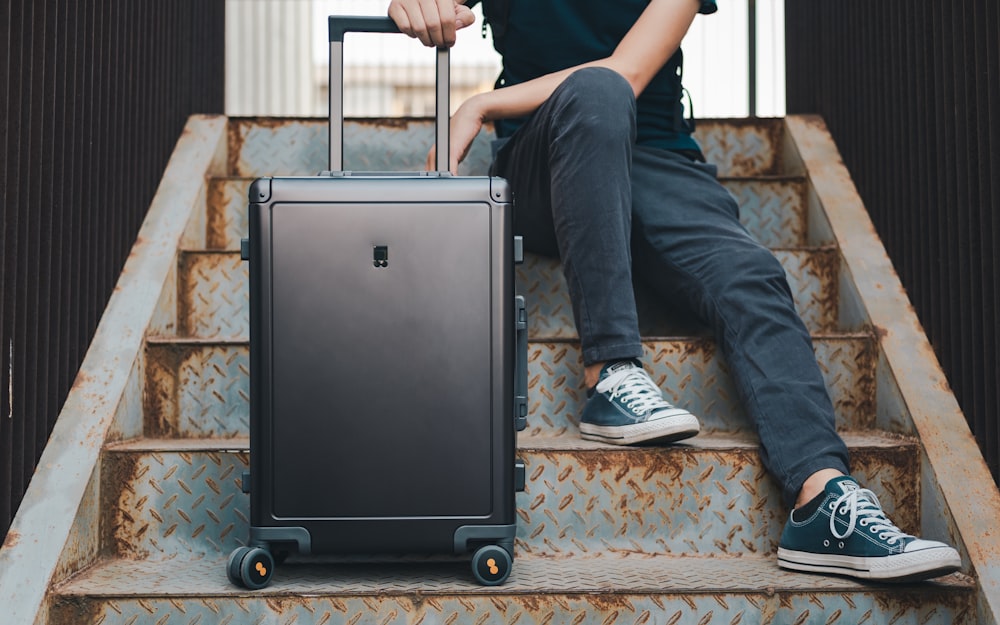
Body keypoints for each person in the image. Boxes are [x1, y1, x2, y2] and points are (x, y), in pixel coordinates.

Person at [386, 0, 962, 582]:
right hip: (545, 158)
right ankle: (610, 373)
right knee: (592, 97)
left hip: (657, 159)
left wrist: (482, 102)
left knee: (749, 275)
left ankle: (821, 499)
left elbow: (625, 72)